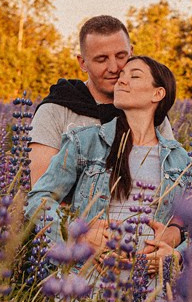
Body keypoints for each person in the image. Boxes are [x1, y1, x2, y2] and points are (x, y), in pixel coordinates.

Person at [26, 56, 192, 274]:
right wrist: (79, 234)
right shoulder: (85, 142)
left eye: (134, 76)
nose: (121, 81)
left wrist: (177, 255)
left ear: (158, 93)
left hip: (149, 288)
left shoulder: (179, 159)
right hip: (86, 284)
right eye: (121, 76)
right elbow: (38, 201)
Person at [29, 14, 173, 185]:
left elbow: (170, 181)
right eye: (101, 59)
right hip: (72, 212)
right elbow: (43, 194)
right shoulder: (55, 110)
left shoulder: (149, 108)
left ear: (132, 53)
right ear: (82, 63)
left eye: (121, 56)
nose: (114, 68)